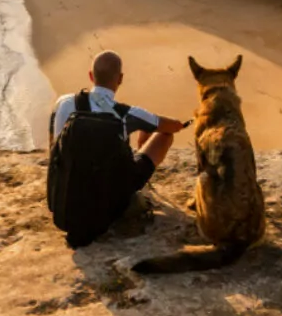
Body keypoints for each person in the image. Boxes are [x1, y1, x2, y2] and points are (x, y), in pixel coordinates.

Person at [46, 50, 188, 246]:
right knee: (163, 135)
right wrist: (180, 124)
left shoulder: (63, 103)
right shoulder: (126, 113)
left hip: (65, 200)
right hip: (106, 203)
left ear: (90, 76)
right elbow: (169, 126)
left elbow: (54, 149)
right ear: (120, 79)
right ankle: (139, 179)